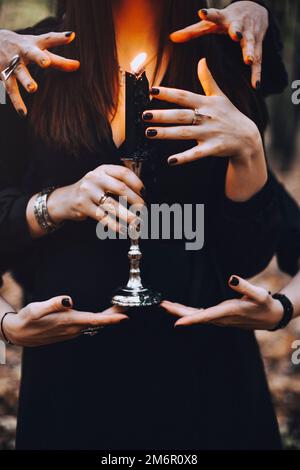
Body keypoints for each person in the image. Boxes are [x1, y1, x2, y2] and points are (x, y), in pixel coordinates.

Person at [0, 0, 287, 450]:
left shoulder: (223, 56)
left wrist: (249, 150)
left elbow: (245, 256)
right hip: (71, 384)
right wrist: (56, 203)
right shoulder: (30, 59)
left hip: (205, 383)